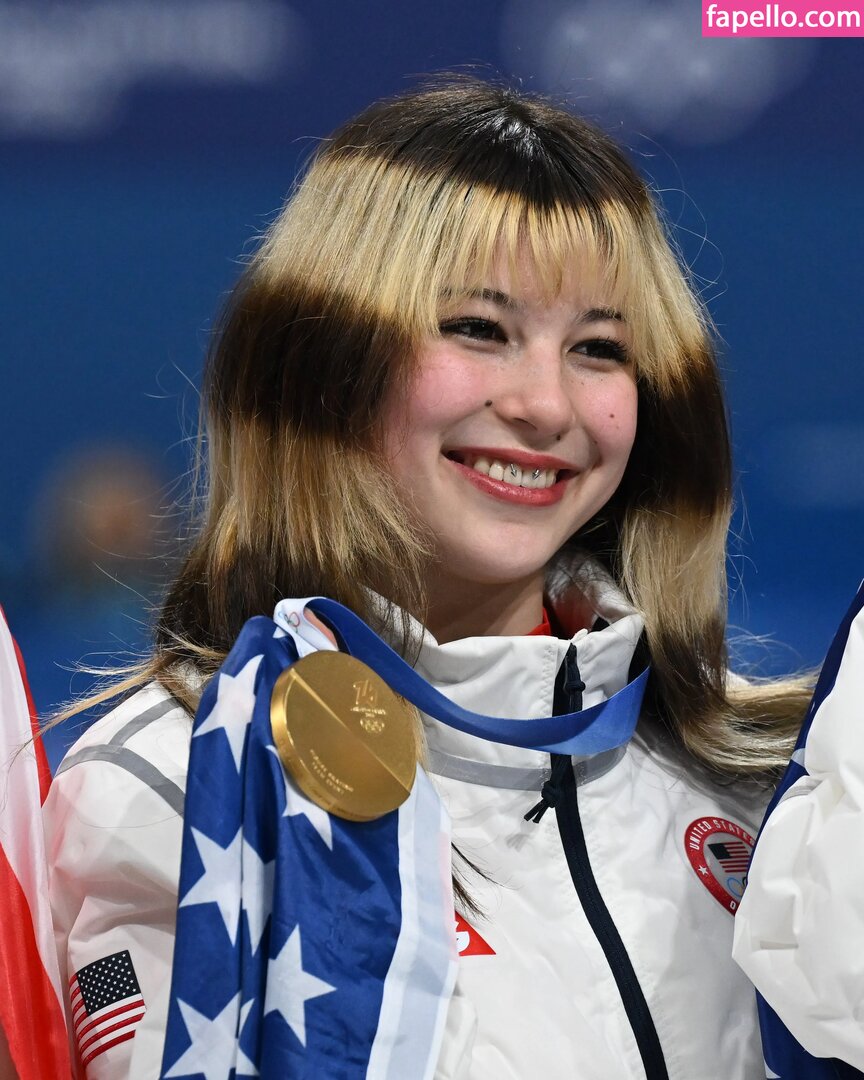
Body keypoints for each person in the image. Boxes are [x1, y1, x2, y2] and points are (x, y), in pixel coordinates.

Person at [42, 76, 812, 1078]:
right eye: (479, 329)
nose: (546, 405)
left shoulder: (769, 782)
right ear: (323, 358)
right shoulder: (181, 781)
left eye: (599, 348)